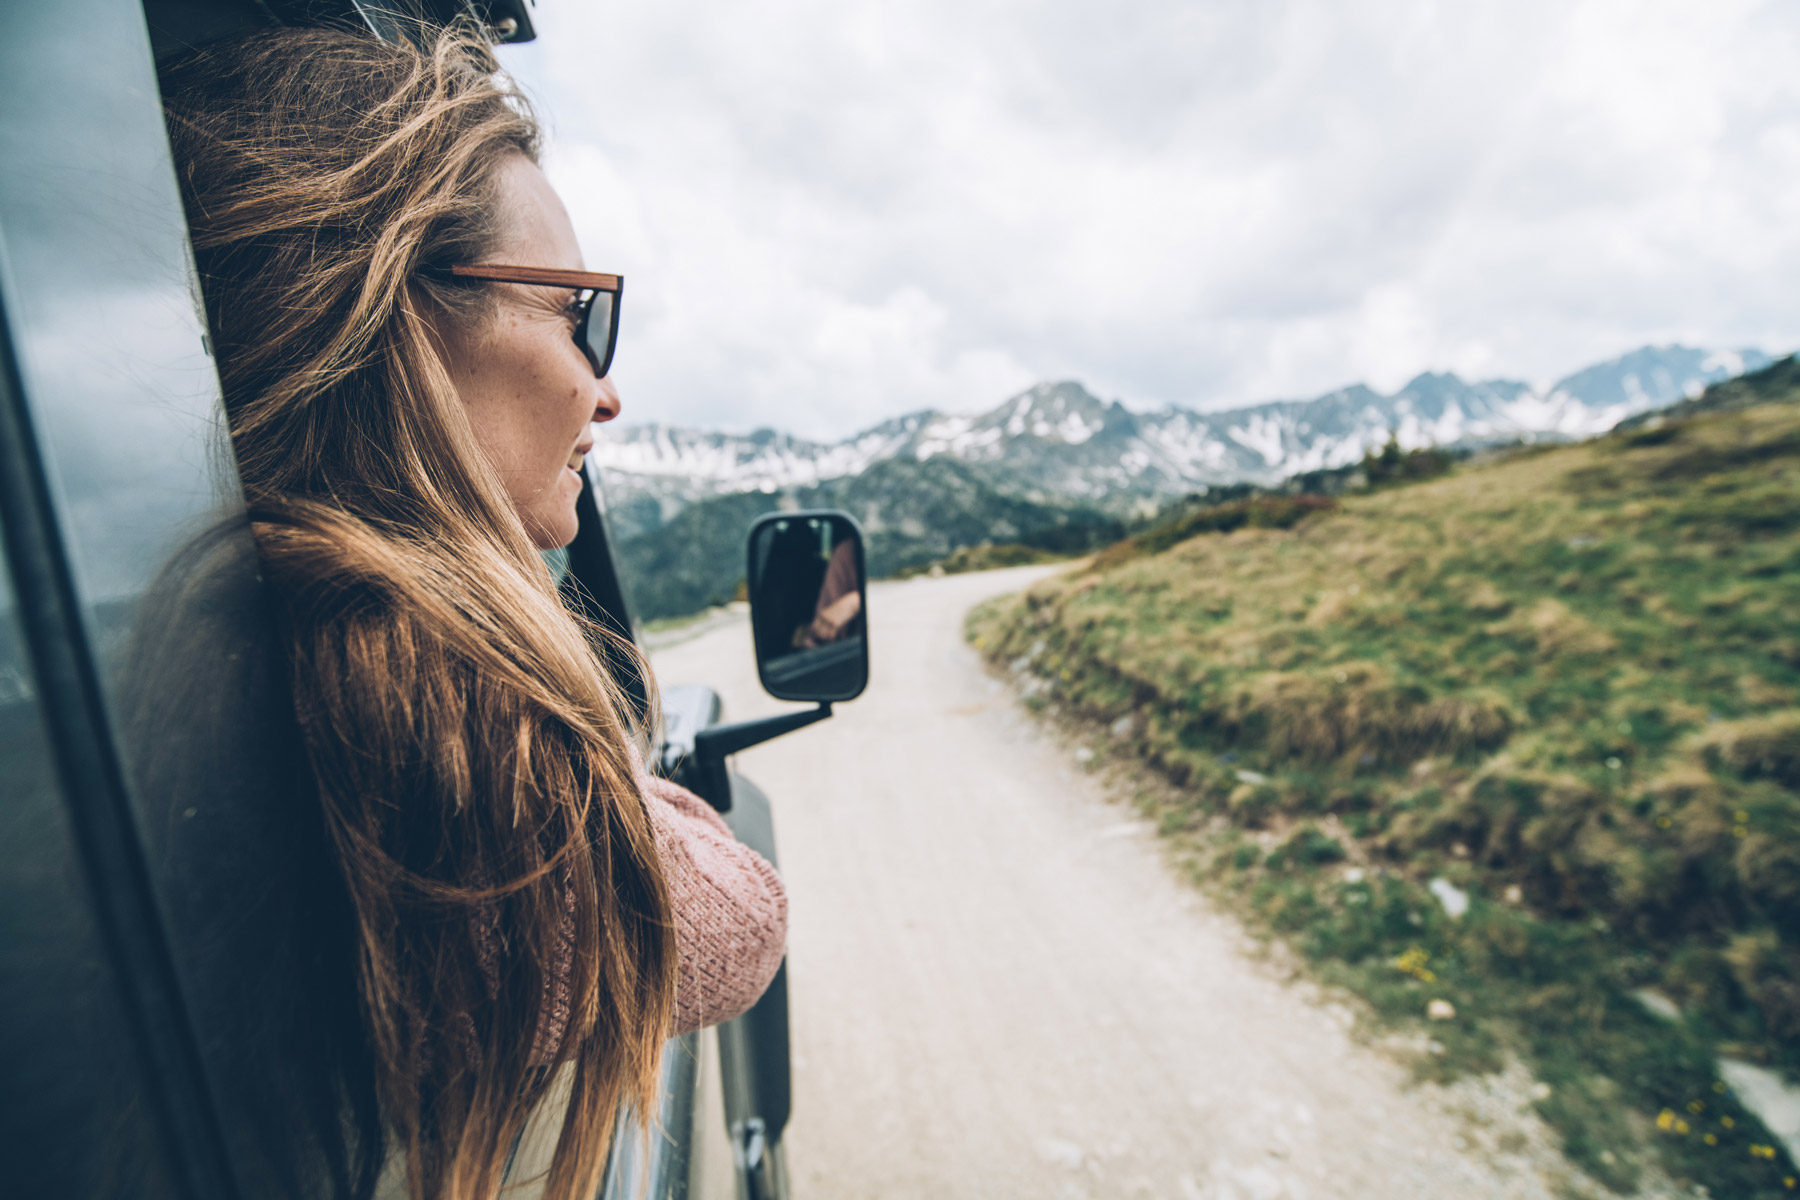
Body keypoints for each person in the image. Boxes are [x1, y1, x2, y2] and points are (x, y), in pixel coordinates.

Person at [157, 23, 785, 1200]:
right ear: (393, 318)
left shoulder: (220, 638)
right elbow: (735, 916)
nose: (604, 389)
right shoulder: (393, 673)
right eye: (573, 314)